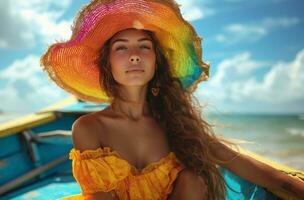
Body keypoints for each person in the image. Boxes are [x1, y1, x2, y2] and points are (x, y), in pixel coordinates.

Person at [41, 0, 304, 199]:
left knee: (194, 179)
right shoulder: (89, 128)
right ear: (107, 64)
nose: (134, 55)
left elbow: (235, 161)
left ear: (157, 62)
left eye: (144, 46)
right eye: (121, 47)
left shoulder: (175, 125)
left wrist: (289, 183)